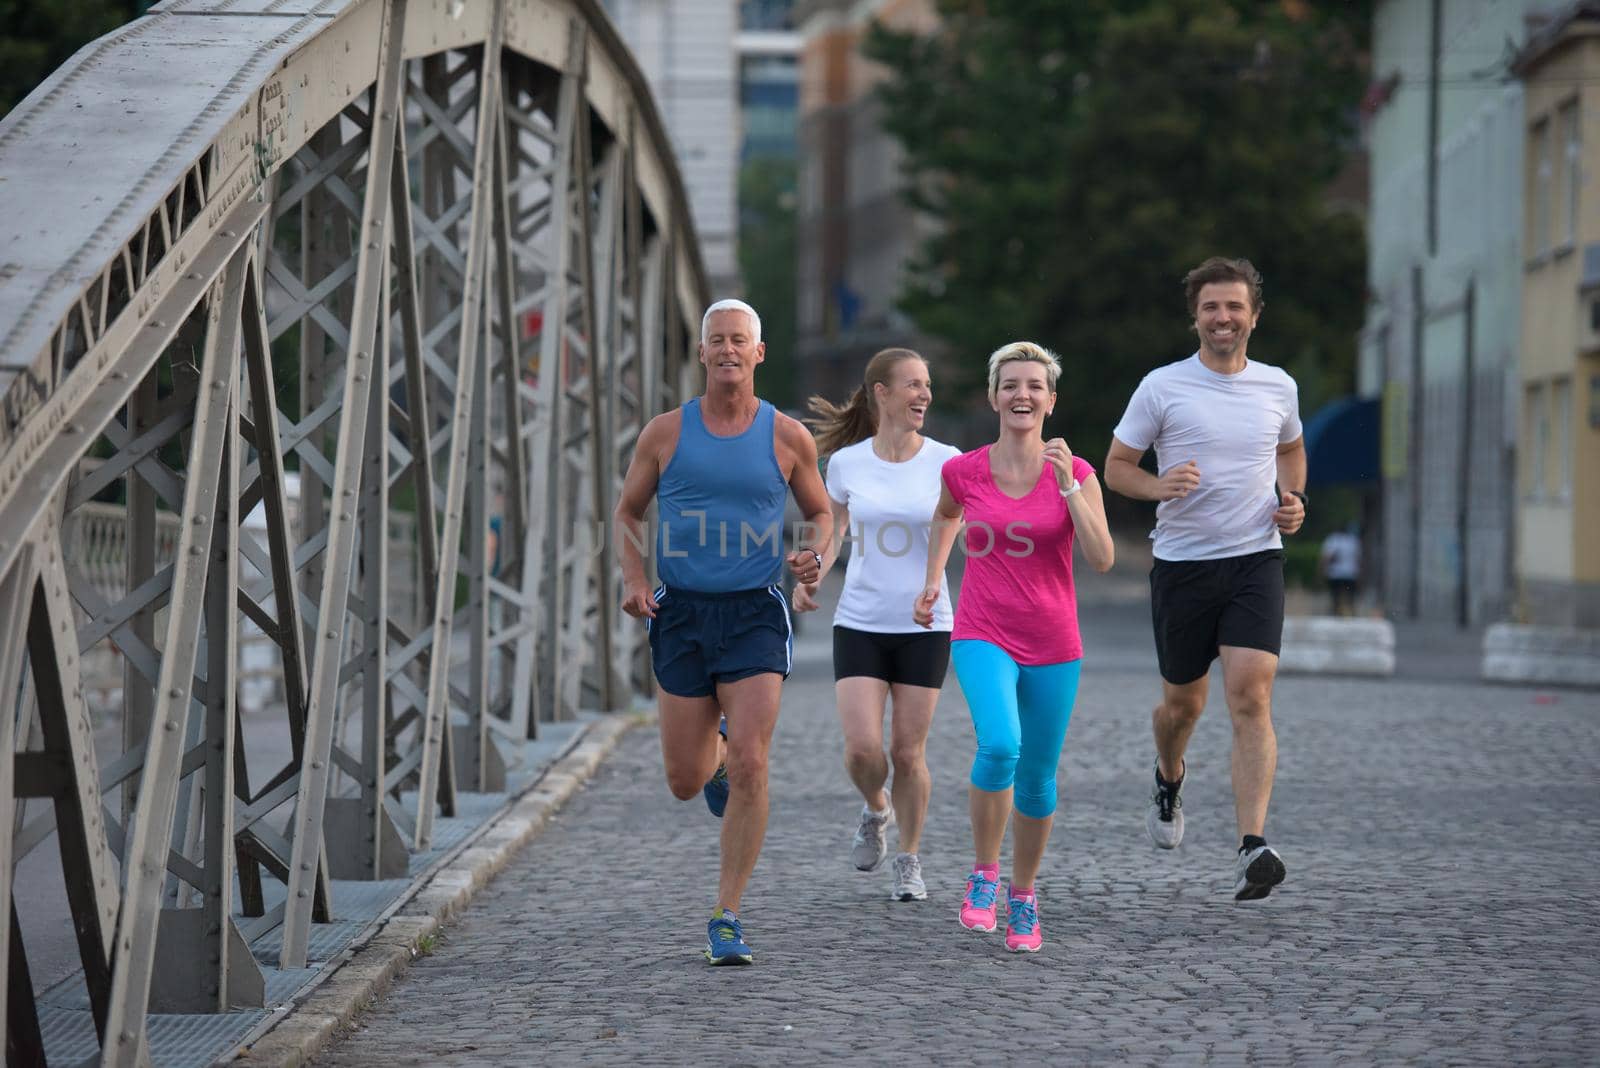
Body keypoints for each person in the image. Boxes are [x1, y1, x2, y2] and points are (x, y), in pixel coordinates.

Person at [613, 298, 833, 965]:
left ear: (758, 353)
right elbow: (628, 511)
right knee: (685, 779)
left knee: (753, 762)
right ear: (703, 353)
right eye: (718, 341)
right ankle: (711, 767)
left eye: (741, 340)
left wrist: (815, 556)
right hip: (680, 612)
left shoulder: (788, 436)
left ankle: (727, 915)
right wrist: (632, 579)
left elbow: (822, 513)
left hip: (756, 612)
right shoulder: (665, 433)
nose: (729, 350)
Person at [1103, 256, 1306, 902]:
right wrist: (1159, 485)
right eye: (1212, 307)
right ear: (1196, 316)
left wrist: (1293, 497)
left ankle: (1253, 845)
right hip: (1184, 566)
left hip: (1255, 559)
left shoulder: (1279, 387)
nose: (1224, 317)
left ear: (1254, 315)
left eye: (1235, 307)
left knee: (1251, 695)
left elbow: (1291, 448)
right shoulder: (1163, 387)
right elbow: (1116, 467)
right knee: (1182, 706)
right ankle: (1169, 776)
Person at [915, 341, 1114, 953]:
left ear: (1051, 401)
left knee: (1037, 782)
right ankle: (983, 876)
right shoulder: (964, 470)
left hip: (1055, 642)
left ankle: (1023, 897)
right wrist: (932, 581)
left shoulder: (1076, 473)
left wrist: (1068, 489)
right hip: (983, 632)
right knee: (1000, 744)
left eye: (1034, 385)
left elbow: (1103, 558)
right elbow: (946, 516)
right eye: (1010, 385)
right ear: (993, 397)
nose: (1021, 394)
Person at [792, 348, 962, 903]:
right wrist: (812, 572)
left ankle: (909, 861)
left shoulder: (946, 461)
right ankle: (875, 807)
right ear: (880, 393)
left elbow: (953, 525)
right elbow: (833, 531)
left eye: (927, 385)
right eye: (912, 384)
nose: (924, 395)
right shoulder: (846, 464)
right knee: (864, 751)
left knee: (909, 752)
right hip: (861, 619)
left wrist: (934, 582)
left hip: (925, 623)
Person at [1319, 524, 1361, 616]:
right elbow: (1359, 559)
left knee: (1336, 598)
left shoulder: (1333, 539)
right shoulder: (1353, 540)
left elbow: (1327, 558)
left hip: (1336, 574)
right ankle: (1350, 616)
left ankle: (1336, 615)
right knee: (1350, 599)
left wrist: (1322, 572)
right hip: (1351, 574)